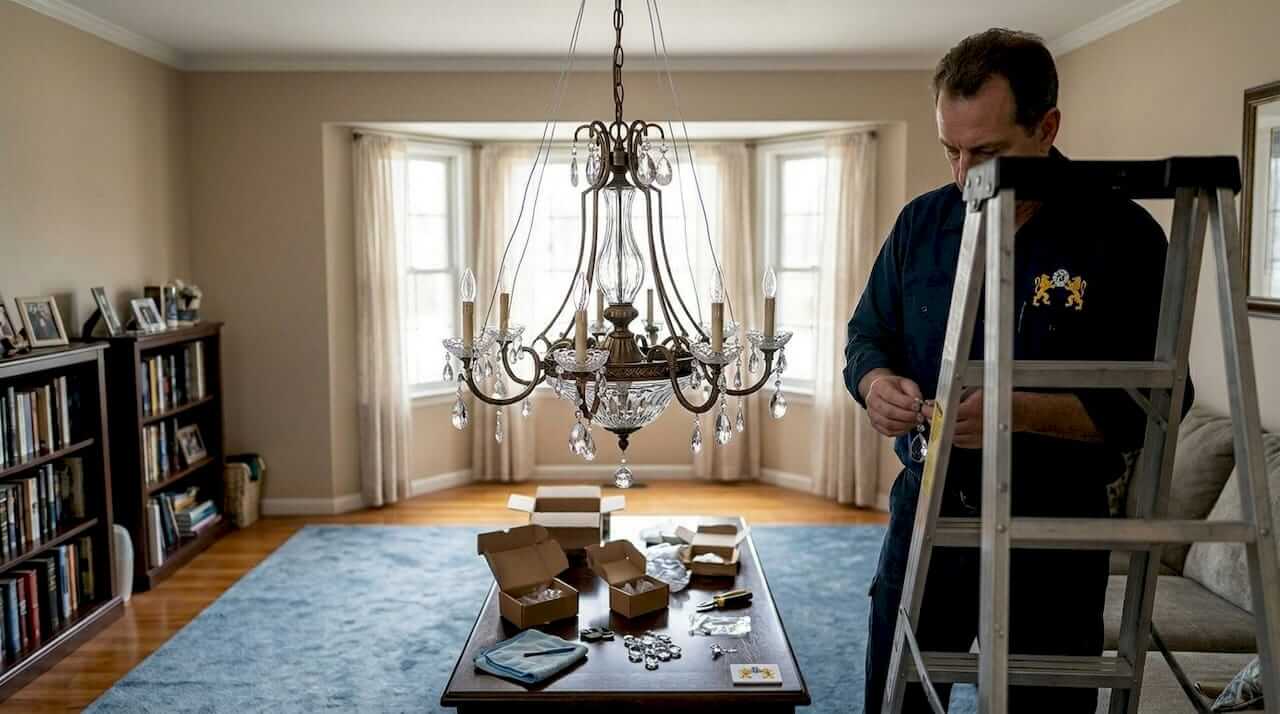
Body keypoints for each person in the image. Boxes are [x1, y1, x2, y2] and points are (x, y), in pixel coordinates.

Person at [846, 29, 1194, 713]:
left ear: (1047, 127)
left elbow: (1160, 403)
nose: (963, 173)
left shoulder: (1125, 237)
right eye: (952, 149)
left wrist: (1016, 410)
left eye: (988, 152)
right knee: (897, 699)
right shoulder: (922, 223)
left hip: (1054, 537)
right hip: (927, 512)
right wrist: (874, 384)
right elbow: (867, 337)